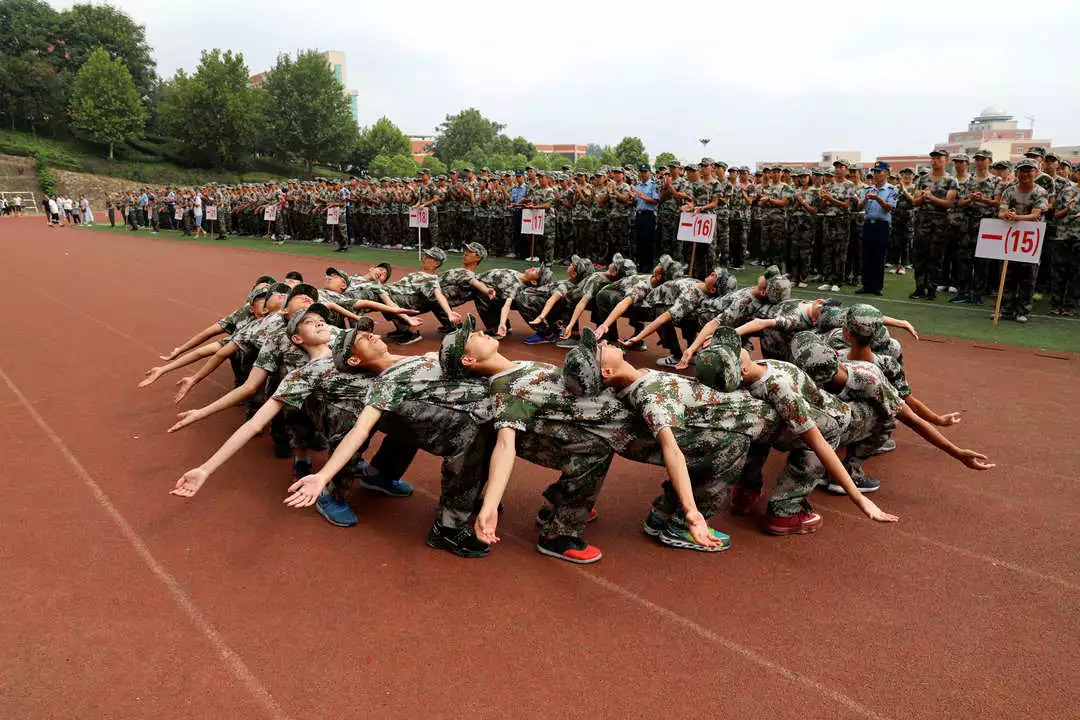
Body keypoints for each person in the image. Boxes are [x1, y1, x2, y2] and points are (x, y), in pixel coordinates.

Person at [995, 158, 1049, 323]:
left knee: (1028, 276)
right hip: (1011, 237)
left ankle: (1023, 310)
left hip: (1031, 239)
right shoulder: (1009, 191)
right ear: (1017, 173)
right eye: (1022, 170)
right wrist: (1007, 215)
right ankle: (1006, 309)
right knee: (1008, 273)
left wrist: (1014, 216)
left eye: (1029, 170)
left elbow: (1035, 215)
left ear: (1035, 173)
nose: (1025, 174)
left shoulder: (1041, 192)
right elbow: (1000, 212)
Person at [910, 149, 959, 300]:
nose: (934, 161)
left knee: (936, 256)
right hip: (923, 219)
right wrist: (923, 198)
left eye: (938, 158)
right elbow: (914, 201)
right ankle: (919, 288)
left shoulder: (951, 180)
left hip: (940, 221)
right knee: (920, 255)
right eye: (933, 158)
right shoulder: (923, 179)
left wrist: (931, 197)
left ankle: (932, 289)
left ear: (946, 160)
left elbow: (949, 204)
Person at [856, 161, 898, 296]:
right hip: (868, 224)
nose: (876, 174)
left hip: (882, 225)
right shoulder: (868, 189)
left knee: (879, 256)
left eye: (879, 171)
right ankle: (866, 285)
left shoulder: (892, 189)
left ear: (886, 173)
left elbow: (889, 208)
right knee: (866, 256)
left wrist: (877, 198)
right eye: (874, 171)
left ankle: (877, 286)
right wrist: (865, 199)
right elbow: (859, 207)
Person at [633, 163, 660, 269]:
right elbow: (636, 201)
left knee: (648, 240)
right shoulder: (638, 186)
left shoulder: (653, 185)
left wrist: (643, 197)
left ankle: (648, 265)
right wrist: (634, 198)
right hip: (639, 214)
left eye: (645, 172)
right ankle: (641, 263)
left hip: (648, 215)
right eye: (641, 172)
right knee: (639, 240)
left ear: (649, 173)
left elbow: (656, 201)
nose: (643, 174)